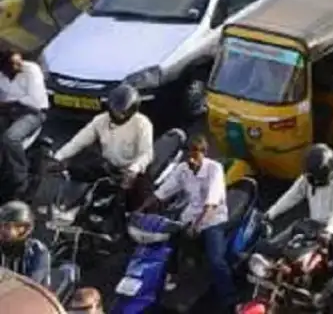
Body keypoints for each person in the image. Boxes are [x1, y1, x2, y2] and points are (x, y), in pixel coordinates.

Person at [266, 144, 333, 314]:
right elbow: (292, 195)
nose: (312, 181)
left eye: (316, 177)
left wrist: (329, 231)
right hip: (313, 224)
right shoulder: (308, 178)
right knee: (278, 246)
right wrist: (270, 214)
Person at [148, 136, 236, 313]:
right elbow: (163, 191)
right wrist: (142, 209)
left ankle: (230, 299)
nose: (191, 159)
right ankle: (170, 275)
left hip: (213, 220)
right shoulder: (182, 169)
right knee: (166, 242)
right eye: (188, 154)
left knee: (216, 261)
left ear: (203, 153)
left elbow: (211, 202)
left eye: (195, 155)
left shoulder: (214, 169)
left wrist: (197, 226)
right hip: (190, 216)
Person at [52, 84, 154, 212]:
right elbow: (78, 141)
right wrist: (58, 157)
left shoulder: (142, 124)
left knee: (139, 206)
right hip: (108, 166)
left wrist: (134, 169)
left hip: (132, 172)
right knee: (79, 170)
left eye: (122, 112)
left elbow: (147, 153)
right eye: (115, 110)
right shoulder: (100, 120)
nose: (118, 115)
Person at [0, 50, 46, 199]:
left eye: (20, 61)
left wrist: (11, 103)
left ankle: (20, 178)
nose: (20, 65)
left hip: (32, 113)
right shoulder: (2, 76)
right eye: (14, 64)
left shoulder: (32, 71)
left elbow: (35, 101)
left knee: (10, 139)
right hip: (6, 111)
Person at [0, 201, 49, 287]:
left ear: (24, 228)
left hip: (29, 297)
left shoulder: (37, 251)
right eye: (1, 225)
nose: (2, 230)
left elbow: (31, 284)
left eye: (8, 226)